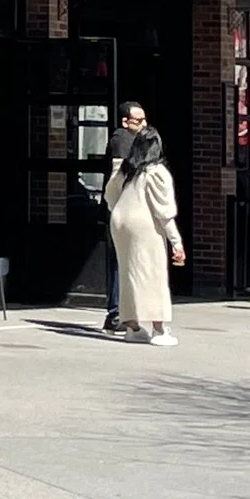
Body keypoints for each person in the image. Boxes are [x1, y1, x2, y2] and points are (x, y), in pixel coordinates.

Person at [104, 124, 186, 346]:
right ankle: (158, 329)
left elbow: (110, 195)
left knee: (128, 272)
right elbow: (164, 212)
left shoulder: (127, 170)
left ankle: (132, 326)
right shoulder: (157, 172)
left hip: (120, 221)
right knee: (153, 273)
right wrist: (176, 243)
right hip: (143, 224)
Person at [102, 103, 146, 333]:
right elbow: (116, 178)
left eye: (144, 120)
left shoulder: (137, 141)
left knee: (127, 260)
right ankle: (115, 312)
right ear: (125, 122)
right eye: (138, 121)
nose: (144, 125)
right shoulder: (121, 140)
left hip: (130, 208)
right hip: (120, 209)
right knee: (120, 261)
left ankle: (123, 311)